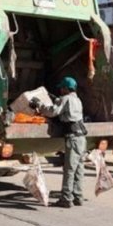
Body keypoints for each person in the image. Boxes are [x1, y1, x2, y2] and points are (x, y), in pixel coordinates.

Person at [31, 76, 87, 208]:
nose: (61, 90)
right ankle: (78, 196)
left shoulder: (65, 99)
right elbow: (65, 107)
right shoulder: (77, 100)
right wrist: (55, 99)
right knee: (79, 168)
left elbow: (53, 112)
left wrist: (39, 105)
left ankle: (66, 198)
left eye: (62, 88)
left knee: (69, 169)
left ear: (67, 88)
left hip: (72, 138)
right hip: (81, 138)